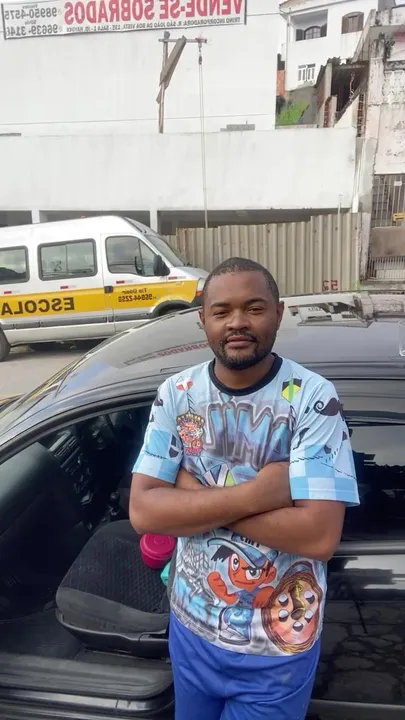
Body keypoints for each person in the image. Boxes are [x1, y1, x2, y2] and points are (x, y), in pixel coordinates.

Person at [130, 257, 359, 720]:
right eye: (222, 311)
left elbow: (318, 537)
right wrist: (259, 495)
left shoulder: (314, 399)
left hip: (276, 645)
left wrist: (191, 495)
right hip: (191, 628)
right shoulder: (177, 393)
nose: (237, 322)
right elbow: (144, 512)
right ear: (203, 319)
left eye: (254, 308)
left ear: (279, 313)